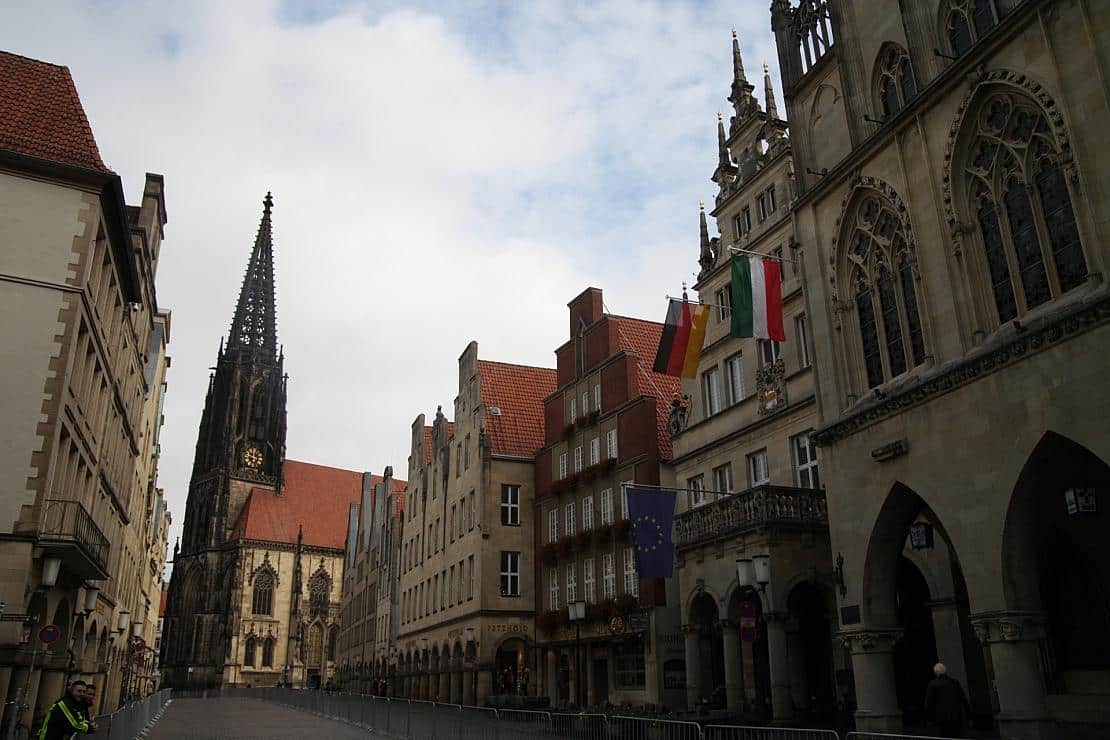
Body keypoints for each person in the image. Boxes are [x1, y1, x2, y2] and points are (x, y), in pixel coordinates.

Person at [924, 662, 970, 738]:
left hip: (941, 720)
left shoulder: (933, 684)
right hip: (956, 718)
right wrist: (969, 715)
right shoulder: (955, 682)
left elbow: (929, 703)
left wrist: (929, 719)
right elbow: (963, 699)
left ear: (936, 673)